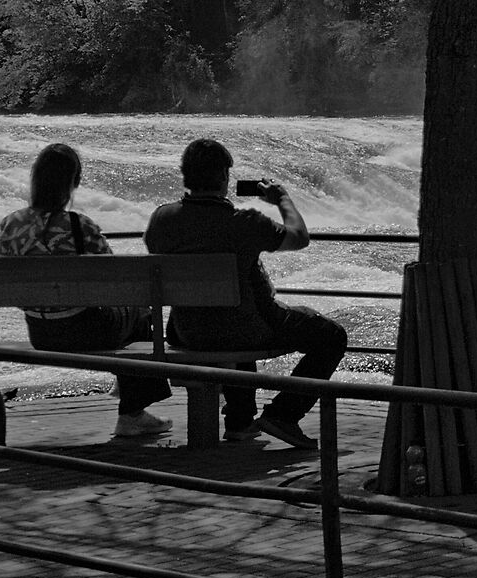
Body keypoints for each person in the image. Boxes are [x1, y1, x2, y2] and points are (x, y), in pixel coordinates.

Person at [143, 138, 348, 450]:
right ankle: (283, 414)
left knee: (231, 314)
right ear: (225, 177)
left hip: (187, 331)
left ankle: (241, 423)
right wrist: (282, 199)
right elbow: (299, 238)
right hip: (243, 329)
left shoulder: (161, 220)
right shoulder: (244, 222)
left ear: (186, 175)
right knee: (331, 336)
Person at [0, 142, 174, 439]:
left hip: (40, 333)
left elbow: (9, 287)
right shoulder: (80, 227)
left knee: (132, 313)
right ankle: (132, 411)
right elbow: (118, 282)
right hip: (86, 330)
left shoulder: (11, 225)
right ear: (74, 182)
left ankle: (129, 387)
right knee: (140, 312)